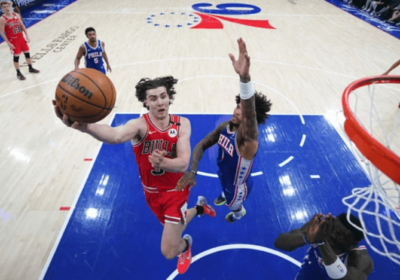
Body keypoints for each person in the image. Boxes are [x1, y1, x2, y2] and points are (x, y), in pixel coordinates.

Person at [52, 76, 216, 274]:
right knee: (172, 223)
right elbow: (116, 135)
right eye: (153, 98)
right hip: (151, 193)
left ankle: (186, 246)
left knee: (168, 250)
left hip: (176, 190)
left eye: (163, 96)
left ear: (169, 97)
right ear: (145, 102)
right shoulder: (139, 125)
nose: (160, 102)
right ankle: (199, 208)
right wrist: (85, 127)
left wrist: (163, 163)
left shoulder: (182, 124)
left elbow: (183, 164)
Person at [176, 38, 272, 223]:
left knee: (232, 203)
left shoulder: (249, 139)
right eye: (237, 106)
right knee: (224, 183)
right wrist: (193, 171)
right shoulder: (225, 126)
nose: (237, 110)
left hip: (236, 187)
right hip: (224, 174)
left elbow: (249, 111)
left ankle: (238, 213)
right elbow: (203, 144)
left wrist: (244, 78)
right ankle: (224, 193)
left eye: (242, 109)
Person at [274, 213, 374, 280]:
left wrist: (321, 242)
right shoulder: (320, 230)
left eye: (340, 235)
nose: (332, 234)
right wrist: (306, 238)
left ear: (352, 244)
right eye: (333, 228)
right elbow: (279, 243)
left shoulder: (360, 259)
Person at [0, 0, 39, 80]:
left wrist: (27, 35)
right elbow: (2, 32)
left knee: (27, 53)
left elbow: (22, 25)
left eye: (7, 6)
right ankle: (18, 73)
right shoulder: (2, 19)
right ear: (2, 9)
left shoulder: (16, 15)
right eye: (4, 7)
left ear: (10, 6)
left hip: (21, 37)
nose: (6, 8)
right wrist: (8, 43)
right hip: (13, 40)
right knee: (16, 57)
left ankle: (30, 68)